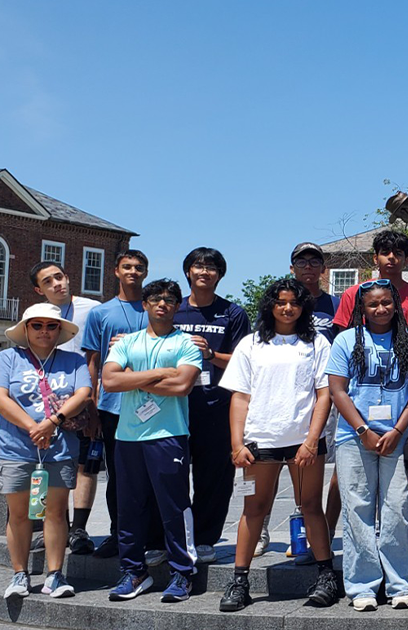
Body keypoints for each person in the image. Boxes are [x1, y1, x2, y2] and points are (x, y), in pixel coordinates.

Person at [218, 278, 338, 612]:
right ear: (270, 304)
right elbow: (240, 396)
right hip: (260, 443)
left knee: (310, 506)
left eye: (295, 302)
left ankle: (325, 575)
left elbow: (323, 393)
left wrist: (312, 440)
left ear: (304, 307)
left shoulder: (316, 343)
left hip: (303, 442)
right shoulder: (251, 344)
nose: (287, 308)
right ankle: (240, 580)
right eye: (281, 301)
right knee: (253, 509)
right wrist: (236, 443)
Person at [327, 280, 408, 612]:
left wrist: (399, 430)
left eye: (386, 303)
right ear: (362, 309)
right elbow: (338, 390)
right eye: (373, 304)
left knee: (396, 509)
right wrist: (363, 430)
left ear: (396, 305)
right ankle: (363, 585)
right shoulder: (346, 340)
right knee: (357, 510)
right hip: (354, 439)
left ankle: (400, 582)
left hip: (397, 438)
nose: (380, 309)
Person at [101, 279, 202, 603]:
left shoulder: (186, 344)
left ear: (177, 306)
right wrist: (161, 374)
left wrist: (136, 379)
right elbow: (110, 380)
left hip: (169, 435)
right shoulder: (126, 342)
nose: (163, 304)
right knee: (128, 508)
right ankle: (134, 572)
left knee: (174, 508)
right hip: (128, 436)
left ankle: (182, 573)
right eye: (156, 299)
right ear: (145, 304)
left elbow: (182, 387)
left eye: (170, 299)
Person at [0, 303, 91, 600]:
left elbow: (84, 394)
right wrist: (34, 427)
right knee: (20, 514)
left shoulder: (73, 361)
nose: (44, 331)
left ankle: (55, 575)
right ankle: (20, 574)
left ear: (60, 330)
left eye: (51, 325)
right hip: (15, 448)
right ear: (26, 329)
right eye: (37, 325)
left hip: (58, 450)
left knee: (55, 513)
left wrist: (51, 423)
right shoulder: (8, 358)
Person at [172, 247, 251, 565]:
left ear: (220, 274)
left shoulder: (232, 313)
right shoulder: (173, 310)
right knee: (172, 475)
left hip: (217, 406)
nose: (204, 272)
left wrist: (210, 355)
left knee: (214, 478)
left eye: (211, 267)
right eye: (197, 266)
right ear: (188, 272)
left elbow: (244, 360)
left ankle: (205, 539)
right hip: (174, 405)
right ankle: (173, 537)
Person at [81, 250, 150, 560]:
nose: (133, 272)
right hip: (112, 407)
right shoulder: (100, 313)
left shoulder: (155, 309)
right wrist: (92, 409)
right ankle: (117, 533)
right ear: (116, 272)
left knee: (151, 473)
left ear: (146, 272)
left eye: (139, 267)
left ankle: (151, 534)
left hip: (152, 405)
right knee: (118, 476)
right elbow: (92, 363)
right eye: (127, 267)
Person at [30, 260, 101, 555]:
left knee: (86, 464)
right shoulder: (36, 315)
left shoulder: (94, 309)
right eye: (48, 281)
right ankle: (50, 526)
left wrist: (94, 407)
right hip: (46, 402)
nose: (57, 284)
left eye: (59, 277)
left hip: (83, 397)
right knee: (47, 466)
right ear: (39, 289)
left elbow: (98, 357)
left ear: (68, 276)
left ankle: (79, 529)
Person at [284, 241, 342, 559]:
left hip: (328, 395)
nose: (308, 266)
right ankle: (287, 527)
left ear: (323, 268)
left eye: (314, 261)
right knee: (281, 462)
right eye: (301, 261)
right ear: (292, 267)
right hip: (290, 396)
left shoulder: (336, 305)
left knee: (328, 463)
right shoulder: (284, 303)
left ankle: (324, 529)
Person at [333, 230, 408, 336]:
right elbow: (343, 336)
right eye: (385, 253)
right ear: (376, 259)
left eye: (398, 253)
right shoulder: (353, 294)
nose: (391, 257)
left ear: (407, 260)